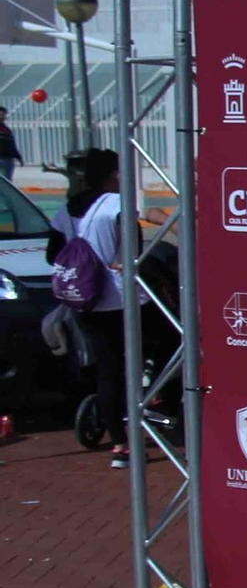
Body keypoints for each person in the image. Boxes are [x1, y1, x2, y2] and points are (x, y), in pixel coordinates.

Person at [52, 150, 136, 468]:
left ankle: (118, 442)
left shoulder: (68, 209)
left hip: (81, 298)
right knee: (154, 347)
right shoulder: (117, 205)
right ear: (115, 174)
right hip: (117, 298)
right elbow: (135, 252)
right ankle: (155, 408)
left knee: (106, 368)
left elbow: (52, 254)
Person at [0, 107, 20, 182]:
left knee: (7, 182)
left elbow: (11, 144)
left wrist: (18, 156)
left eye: (3, 115)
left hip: (7, 159)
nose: (2, 117)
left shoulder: (7, 130)